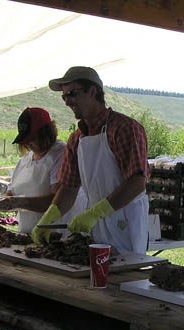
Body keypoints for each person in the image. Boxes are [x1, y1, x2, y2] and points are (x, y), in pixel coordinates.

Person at [32, 66, 150, 254]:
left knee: (125, 277)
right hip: (95, 222)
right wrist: (49, 218)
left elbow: (137, 182)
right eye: (64, 97)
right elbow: (69, 187)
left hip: (126, 220)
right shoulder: (76, 139)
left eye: (71, 94)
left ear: (93, 92)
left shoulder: (124, 128)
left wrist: (97, 212)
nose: (67, 102)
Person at [0, 107, 87, 233]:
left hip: (57, 234)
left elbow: (57, 199)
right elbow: (11, 194)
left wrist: (17, 202)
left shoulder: (61, 155)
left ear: (46, 133)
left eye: (31, 138)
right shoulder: (25, 160)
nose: (28, 144)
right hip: (27, 233)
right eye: (25, 140)